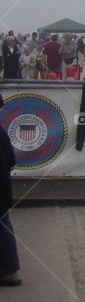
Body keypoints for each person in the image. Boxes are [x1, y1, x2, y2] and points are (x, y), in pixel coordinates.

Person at [0, 94, 21, 286]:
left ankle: (8, 270)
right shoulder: (2, 133)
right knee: (3, 224)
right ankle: (9, 269)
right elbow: (12, 161)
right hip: (3, 187)